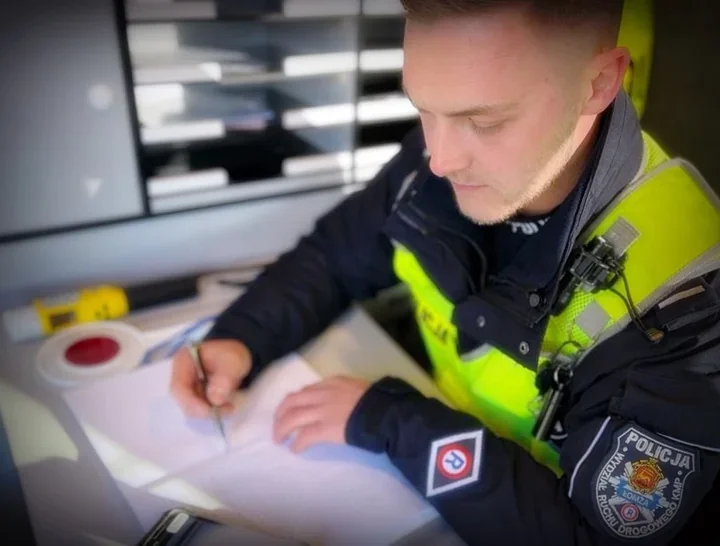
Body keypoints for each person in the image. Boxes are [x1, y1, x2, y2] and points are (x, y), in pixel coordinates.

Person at [170, 1, 720, 544]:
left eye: (484, 121)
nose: (439, 158)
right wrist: (244, 335)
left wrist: (394, 422)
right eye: (424, 110)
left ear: (598, 84)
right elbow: (337, 254)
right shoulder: (437, 162)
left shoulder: (687, 298)